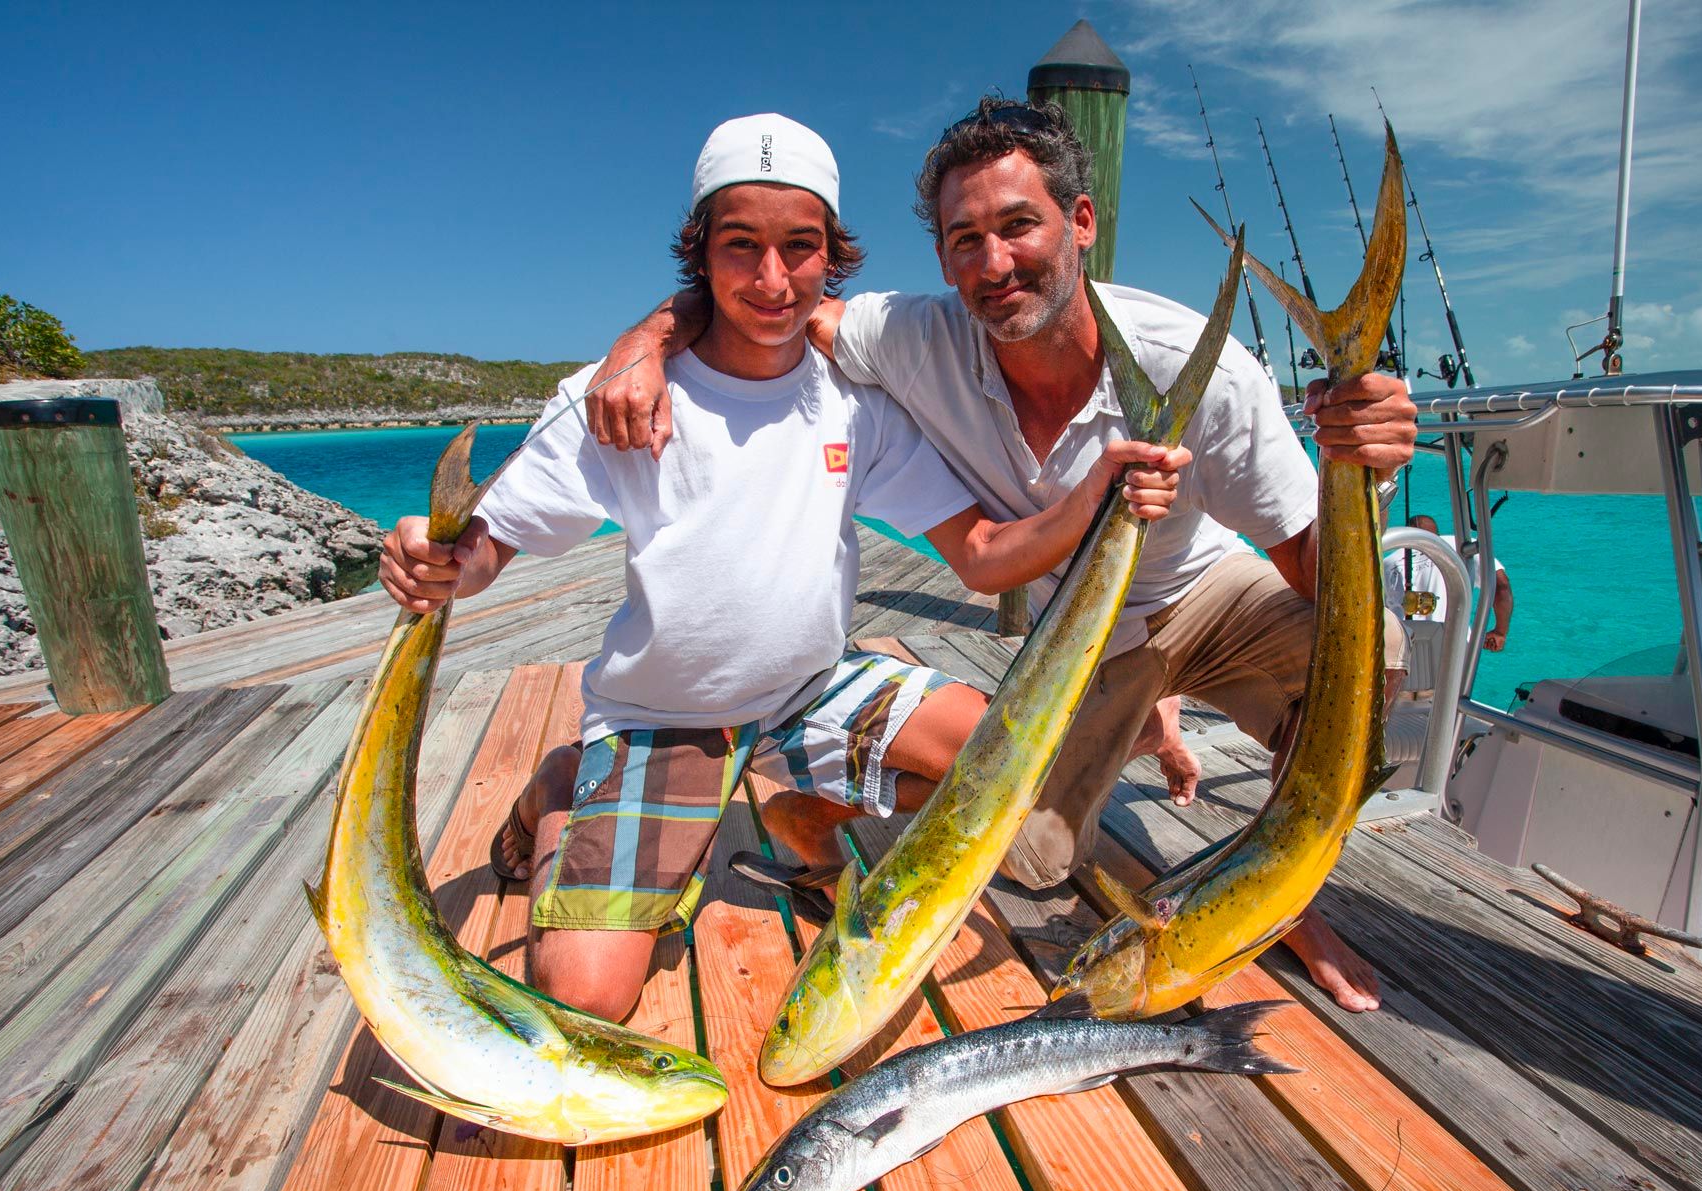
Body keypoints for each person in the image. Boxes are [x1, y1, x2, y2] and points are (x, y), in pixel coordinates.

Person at [587, 98, 1421, 1013]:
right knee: (1030, 860)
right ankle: (814, 807)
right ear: (941, 256)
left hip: (1204, 587)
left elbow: (1319, 582)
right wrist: (643, 344)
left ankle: (1282, 887)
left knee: (1370, 648)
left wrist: (1360, 468)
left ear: (1081, 222)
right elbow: (768, 293)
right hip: (1090, 631)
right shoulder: (911, 338)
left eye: (1019, 225)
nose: (994, 264)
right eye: (964, 238)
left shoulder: (1203, 365)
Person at [377, 113, 1189, 1023]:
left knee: (1021, 767)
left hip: (811, 690)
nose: (771, 279)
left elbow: (985, 556)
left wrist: (1091, 496)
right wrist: (442, 558)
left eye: (800, 248)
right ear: (702, 255)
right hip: (664, 720)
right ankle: (568, 784)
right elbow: (493, 542)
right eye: (741, 247)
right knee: (586, 1000)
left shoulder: (855, 399)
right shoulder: (618, 400)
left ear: (831, 257)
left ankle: (804, 813)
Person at [1384, 513, 1514, 651]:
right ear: (1438, 535)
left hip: (1402, 647)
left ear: (1406, 535)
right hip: (1453, 645)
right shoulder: (1462, 548)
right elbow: (1502, 587)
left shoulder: (1388, 562)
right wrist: (1500, 631)